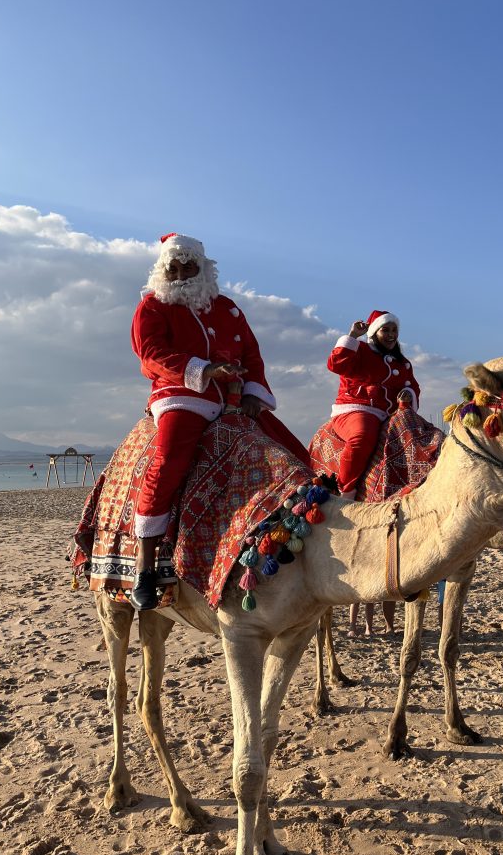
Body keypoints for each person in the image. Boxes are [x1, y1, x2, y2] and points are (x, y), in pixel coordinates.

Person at [129, 232, 310, 611]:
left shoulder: (227, 309)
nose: (180, 275)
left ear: (203, 268)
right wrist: (205, 370)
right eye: (172, 268)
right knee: (169, 460)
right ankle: (146, 559)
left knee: (292, 454)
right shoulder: (153, 306)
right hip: (181, 394)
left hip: (232, 400)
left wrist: (252, 395)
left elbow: (252, 353)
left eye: (187, 267)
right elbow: (151, 355)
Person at [327, 310, 422, 498]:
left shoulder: (402, 363)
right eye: (385, 330)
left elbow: (413, 387)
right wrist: (352, 336)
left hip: (390, 413)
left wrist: (409, 394)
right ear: (374, 333)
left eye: (394, 330)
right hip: (356, 408)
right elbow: (336, 365)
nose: (391, 335)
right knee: (361, 437)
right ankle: (344, 492)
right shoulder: (359, 350)